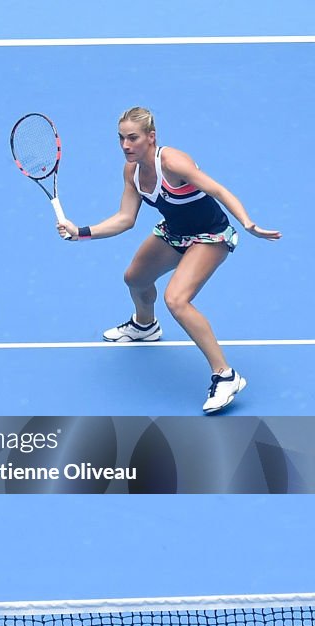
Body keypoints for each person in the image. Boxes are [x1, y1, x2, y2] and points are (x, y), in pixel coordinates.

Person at [56, 106, 281, 414]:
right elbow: (125, 218)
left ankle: (225, 375)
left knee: (176, 299)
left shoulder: (173, 162)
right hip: (174, 233)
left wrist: (247, 222)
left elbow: (217, 190)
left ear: (151, 137)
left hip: (209, 235)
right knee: (135, 278)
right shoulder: (131, 172)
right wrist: (81, 232)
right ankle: (145, 326)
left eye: (132, 138)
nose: (125, 145)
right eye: (121, 138)